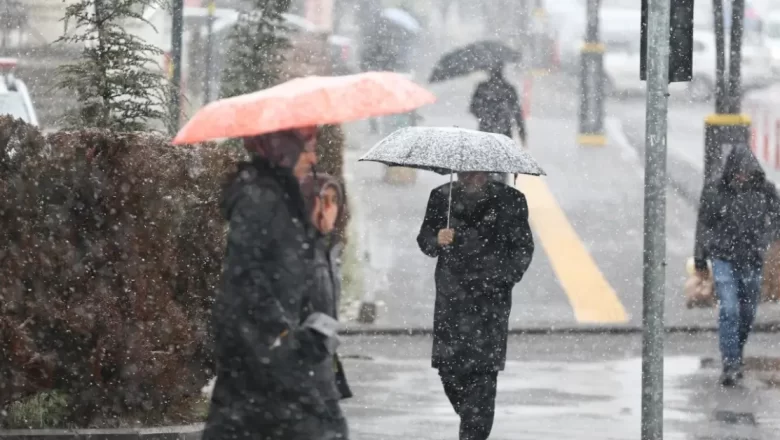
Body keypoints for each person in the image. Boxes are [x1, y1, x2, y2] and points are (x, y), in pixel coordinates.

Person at [203, 127, 344, 440]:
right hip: (265, 358)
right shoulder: (262, 199)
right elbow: (246, 277)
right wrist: (283, 335)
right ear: (284, 151)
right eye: (306, 149)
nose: (313, 158)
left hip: (269, 358)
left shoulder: (281, 196)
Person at [416, 172, 535, 440]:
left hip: (490, 305)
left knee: (483, 377)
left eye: (478, 172)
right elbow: (425, 240)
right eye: (466, 172)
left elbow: (523, 248)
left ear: (488, 172)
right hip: (451, 302)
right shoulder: (442, 197)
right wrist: (437, 238)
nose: (472, 177)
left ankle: (473, 431)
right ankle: (473, 423)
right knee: (449, 372)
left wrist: (502, 280)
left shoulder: (510, 200)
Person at [695, 144, 780, 386]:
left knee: (747, 313)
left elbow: (777, 218)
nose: (742, 176)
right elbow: (704, 227)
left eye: (746, 172)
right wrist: (700, 259)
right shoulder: (715, 191)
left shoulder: (765, 190)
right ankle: (730, 364)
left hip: (752, 259)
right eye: (738, 172)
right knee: (729, 310)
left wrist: (766, 239)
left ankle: (736, 352)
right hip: (723, 258)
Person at [469, 63, 527, 184]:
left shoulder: (482, 88)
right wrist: (522, 134)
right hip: (504, 134)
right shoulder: (509, 88)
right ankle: (500, 190)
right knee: (501, 169)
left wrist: (485, 115)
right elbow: (517, 114)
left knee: (485, 169)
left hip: (485, 133)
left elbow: (473, 108)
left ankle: (487, 189)